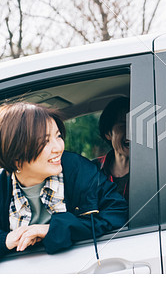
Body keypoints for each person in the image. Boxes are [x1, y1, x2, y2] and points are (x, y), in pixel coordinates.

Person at [0, 102, 128, 258]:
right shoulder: (3, 185)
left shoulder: (78, 169)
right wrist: (5, 240)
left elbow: (118, 212)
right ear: (15, 154)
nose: (58, 147)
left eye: (58, 136)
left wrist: (51, 229)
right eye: (44, 141)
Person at [93, 97, 130, 202]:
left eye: (135, 124)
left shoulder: (153, 170)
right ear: (108, 133)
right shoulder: (92, 171)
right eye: (124, 125)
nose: (131, 131)